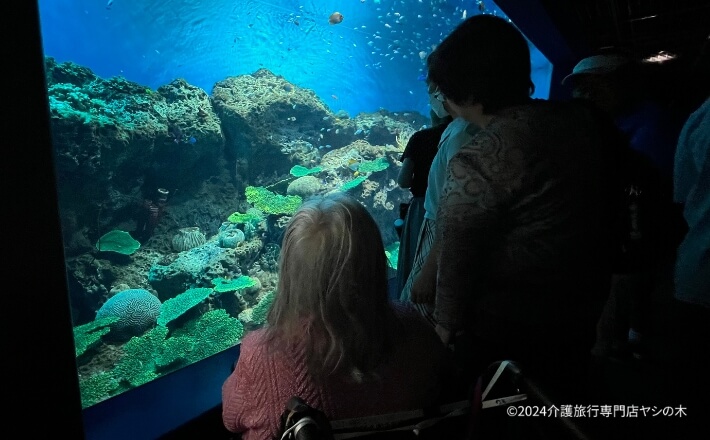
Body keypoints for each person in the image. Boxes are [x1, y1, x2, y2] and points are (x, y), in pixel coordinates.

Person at [420, 15, 625, 388]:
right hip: (583, 309)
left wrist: (441, 335)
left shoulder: (480, 156)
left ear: (466, 89)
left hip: (508, 328)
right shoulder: (581, 121)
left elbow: (456, 258)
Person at [222, 193, 457, 440]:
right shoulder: (414, 328)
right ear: (375, 262)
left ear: (290, 272)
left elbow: (230, 418)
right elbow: (445, 382)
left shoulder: (260, 354)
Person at [563, 54, 685, 360]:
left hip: (635, 240)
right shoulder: (609, 123)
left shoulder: (651, 124)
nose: (586, 94)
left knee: (622, 300)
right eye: (581, 87)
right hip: (622, 241)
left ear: (622, 82)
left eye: (595, 85)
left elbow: (642, 192)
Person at [400, 53, 480, 325]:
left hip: (439, 229)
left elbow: (457, 212)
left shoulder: (462, 135)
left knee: (419, 307)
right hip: (435, 224)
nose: (433, 94)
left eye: (435, 87)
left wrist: (428, 270)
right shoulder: (456, 129)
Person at [395, 102, 452, 299]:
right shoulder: (466, 134)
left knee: (416, 257)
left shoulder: (420, 138)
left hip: (423, 207)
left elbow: (403, 181)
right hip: (454, 207)